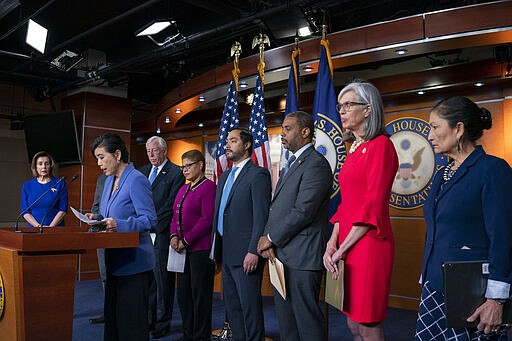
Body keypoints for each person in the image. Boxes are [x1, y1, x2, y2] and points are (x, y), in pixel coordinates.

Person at [415, 96, 512, 340]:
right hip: (435, 286)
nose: (430, 135)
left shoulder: (493, 170)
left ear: (458, 129)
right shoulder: (441, 173)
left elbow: (503, 238)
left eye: (435, 127)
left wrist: (496, 299)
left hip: (474, 294)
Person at [323, 80, 399, 340]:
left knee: (367, 323)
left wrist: (342, 248)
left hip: (369, 243)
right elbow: (346, 204)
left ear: (368, 109)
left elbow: (372, 205)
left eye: (348, 105)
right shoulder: (353, 149)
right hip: (346, 242)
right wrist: (331, 244)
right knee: (352, 324)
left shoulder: (381, 146)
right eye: (340, 106)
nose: (341, 111)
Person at [257, 111, 332, 341]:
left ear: (305, 131)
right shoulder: (293, 163)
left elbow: (303, 211)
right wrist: (269, 240)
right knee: (287, 324)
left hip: (303, 256)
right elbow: (277, 207)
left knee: (307, 323)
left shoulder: (316, 164)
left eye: (288, 128)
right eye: (282, 129)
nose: (282, 134)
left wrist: (271, 237)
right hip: (282, 255)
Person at [85, 133, 157, 341]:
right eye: (96, 158)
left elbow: (150, 219)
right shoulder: (108, 181)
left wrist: (120, 224)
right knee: (114, 323)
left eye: (101, 157)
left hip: (135, 264)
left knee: (131, 325)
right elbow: (112, 213)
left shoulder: (136, 180)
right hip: (114, 261)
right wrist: (96, 218)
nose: (99, 163)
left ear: (117, 154)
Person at [212, 127, 271, 341]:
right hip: (226, 252)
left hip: (247, 254)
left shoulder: (258, 174)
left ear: (246, 145)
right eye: (227, 141)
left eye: (233, 141)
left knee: (250, 310)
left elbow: (261, 217)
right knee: (233, 309)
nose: (227, 144)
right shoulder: (225, 176)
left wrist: (253, 250)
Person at [138, 136, 184, 339]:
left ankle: (163, 322)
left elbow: (171, 206)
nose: (151, 155)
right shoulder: (142, 172)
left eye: (154, 151)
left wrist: (150, 223)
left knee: (162, 282)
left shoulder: (175, 173)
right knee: (147, 280)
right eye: (148, 151)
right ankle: (148, 320)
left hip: (161, 233)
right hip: (142, 234)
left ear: (164, 151)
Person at [170, 149, 216, 341]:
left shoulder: (209, 187)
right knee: (184, 294)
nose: (185, 170)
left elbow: (206, 220)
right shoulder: (183, 189)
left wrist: (185, 240)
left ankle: (201, 335)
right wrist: (173, 236)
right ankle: (188, 333)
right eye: (183, 166)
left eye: (188, 165)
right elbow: (174, 216)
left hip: (200, 250)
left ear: (200, 165)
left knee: (200, 296)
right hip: (181, 251)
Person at [20, 150, 68, 227]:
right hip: (34, 230)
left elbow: (63, 209)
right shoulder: (27, 185)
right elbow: (25, 211)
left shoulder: (60, 183)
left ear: (51, 166)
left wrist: (50, 228)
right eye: (40, 164)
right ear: (35, 167)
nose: (44, 167)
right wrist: (38, 226)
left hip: (55, 229)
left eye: (47, 164)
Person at [89, 173, 107, 324]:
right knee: (105, 275)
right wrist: (92, 218)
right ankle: (108, 311)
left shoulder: (132, 178)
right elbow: (97, 205)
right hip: (101, 231)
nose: (100, 163)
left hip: (121, 233)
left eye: (102, 157)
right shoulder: (101, 178)